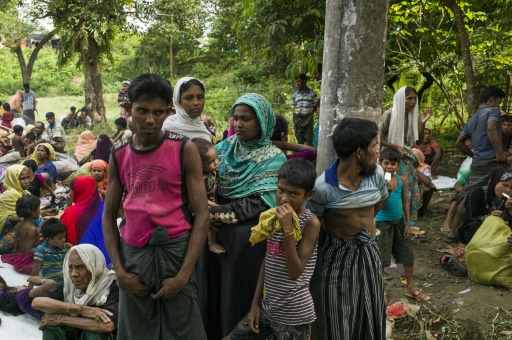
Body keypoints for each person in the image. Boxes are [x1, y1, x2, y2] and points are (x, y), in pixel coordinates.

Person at [103, 73, 209, 339]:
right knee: (136, 330)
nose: (150, 120)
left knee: (185, 329)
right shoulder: (119, 154)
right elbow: (108, 217)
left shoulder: (184, 149)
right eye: (142, 111)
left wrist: (184, 275)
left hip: (176, 254)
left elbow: (202, 215)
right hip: (134, 257)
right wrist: (120, 271)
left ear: (168, 111)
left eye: (158, 112)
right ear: (128, 109)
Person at [198, 93, 287, 338]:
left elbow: (260, 203)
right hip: (212, 225)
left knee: (235, 294)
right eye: (236, 118)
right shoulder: (222, 149)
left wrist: (211, 214)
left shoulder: (273, 158)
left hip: (246, 234)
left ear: (262, 122)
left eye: (246, 119)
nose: (238, 124)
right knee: (209, 289)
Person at [306, 118, 389, 339]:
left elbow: (379, 204)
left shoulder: (377, 174)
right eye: (374, 145)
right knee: (339, 315)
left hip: (369, 251)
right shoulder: (323, 188)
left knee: (372, 310)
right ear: (360, 152)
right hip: (338, 257)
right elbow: (315, 223)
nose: (377, 150)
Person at [228, 158, 320, 339]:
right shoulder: (273, 217)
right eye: (281, 190)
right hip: (267, 308)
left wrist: (288, 230)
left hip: (293, 316)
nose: (284, 198)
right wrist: (255, 304)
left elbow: (295, 272)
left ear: (308, 195)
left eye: (294, 194)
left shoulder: (310, 223)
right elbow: (268, 259)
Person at [447, 86, 507, 241]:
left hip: (479, 162)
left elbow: (459, 143)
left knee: (467, 195)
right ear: (493, 99)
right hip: (492, 161)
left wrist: (473, 156)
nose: (499, 105)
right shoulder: (492, 111)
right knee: (504, 186)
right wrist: (499, 151)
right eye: (499, 101)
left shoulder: (473, 118)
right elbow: (491, 128)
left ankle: (454, 230)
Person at [31, 244, 118, 339]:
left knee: (94, 335)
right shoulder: (70, 285)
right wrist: (80, 309)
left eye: (80, 267)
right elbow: (37, 302)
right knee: (51, 327)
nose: (73, 274)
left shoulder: (113, 285)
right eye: (70, 268)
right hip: (76, 333)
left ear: (95, 266)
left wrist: (62, 319)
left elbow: (107, 325)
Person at [376, 148, 430, 302]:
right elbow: (378, 206)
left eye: (393, 164)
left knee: (407, 255)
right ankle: (381, 291)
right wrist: (386, 192)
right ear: (380, 164)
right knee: (381, 259)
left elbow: (406, 202)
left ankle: (411, 287)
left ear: (398, 166)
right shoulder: (379, 182)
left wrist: (407, 224)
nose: (390, 167)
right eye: (386, 163)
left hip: (399, 222)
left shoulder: (401, 180)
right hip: (382, 223)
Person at [381, 86, 432, 226]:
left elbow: (418, 141)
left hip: (405, 158)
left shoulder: (412, 116)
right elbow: (377, 138)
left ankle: (407, 223)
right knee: (390, 186)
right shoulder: (389, 114)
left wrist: (423, 123)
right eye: (409, 98)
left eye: (415, 98)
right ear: (400, 99)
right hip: (389, 158)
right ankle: (387, 218)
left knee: (408, 189)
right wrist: (395, 146)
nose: (413, 101)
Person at [60, 176, 110, 265]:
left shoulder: (71, 212)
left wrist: (69, 207)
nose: (70, 193)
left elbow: (61, 234)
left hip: (82, 261)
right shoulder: (104, 209)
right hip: (107, 260)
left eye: (71, 190)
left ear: (78, 191)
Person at [456, 169, 512, 244]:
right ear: (495, 181)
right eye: (505, 185)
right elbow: (471, 218)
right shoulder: (477, 193)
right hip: (478, 231)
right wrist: (489, 217)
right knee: (474, 227)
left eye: (511, 188)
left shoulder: (509, 199)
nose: (508, 190)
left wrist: (508, 209)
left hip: (499, 233)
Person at [192, 137, 222, 254]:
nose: (216, 162)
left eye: (216, 158)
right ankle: (211, 242)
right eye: (210, 162)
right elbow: (198, 198)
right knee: (209, 223)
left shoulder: (211, 173)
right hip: (203, 205)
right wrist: (215, 205)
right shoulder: (200, 179)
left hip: (211, 201)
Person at [162, 77, 212, 141]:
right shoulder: (167, 129)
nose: (196, 103)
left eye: (200, 97)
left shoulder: (202, 130)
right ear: (178, 101)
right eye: (189, 98)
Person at [0, 195, 41, 274]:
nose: (40, 211)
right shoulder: (33, 230)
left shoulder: (19, 225)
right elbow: (29, 251)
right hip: (28, 261)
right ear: (33, 212)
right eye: (39, 209)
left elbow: (16, 245)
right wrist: (43, 249)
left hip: (19, 257)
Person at [0, 165, 31, 254]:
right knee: (27, 224)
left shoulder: (25, 193)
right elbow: (2, 216)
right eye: (22, 178)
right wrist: (14, 218)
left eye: (28, 177)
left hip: (12, 233)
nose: (27, 181)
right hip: (2, 236)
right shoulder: (9, 195)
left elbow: (29, 213)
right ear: (13, 179)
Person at [29, 218, 69, 284]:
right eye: (60, 238)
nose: (64, 240)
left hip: (64, 283)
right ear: (48, 239)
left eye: (64, 236)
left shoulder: (64, 248)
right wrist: (29, 289)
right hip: (49, 285)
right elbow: (36, 268)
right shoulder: (41, 249)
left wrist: (71, 250)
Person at [292, 74, 318, 145]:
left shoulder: (312, 94)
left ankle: (309, 155)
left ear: (305, 81)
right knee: (299, 142)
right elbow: (293, 107)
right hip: (298, 120)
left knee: (309, 140)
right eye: (296, 81)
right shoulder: (295, 95)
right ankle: (301, 155)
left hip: (308, 120)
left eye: (299, 81)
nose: (297, 83)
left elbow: (316, 106)